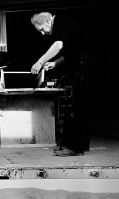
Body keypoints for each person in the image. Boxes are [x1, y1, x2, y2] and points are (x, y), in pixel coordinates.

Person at [30, 12, 90, 156]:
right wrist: (55, 63)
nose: (44, 34)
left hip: (82, 67)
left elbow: (58, 45)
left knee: (76, 107)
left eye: (42, 30)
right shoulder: (65, 25)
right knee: (80, 106)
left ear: (46, 20)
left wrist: (40, 62)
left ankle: (75, 148)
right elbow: (71, 52)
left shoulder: (61, 22)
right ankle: (82, 145)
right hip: (82, 66)